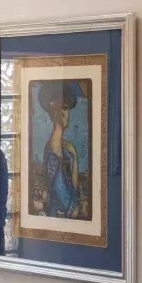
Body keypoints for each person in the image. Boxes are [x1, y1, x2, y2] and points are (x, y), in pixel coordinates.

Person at [32, 80, 86, 220]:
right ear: (52, 113)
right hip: (57, 214)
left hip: (71, 213)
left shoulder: (70, 148)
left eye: (66, 107)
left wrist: (75, 206)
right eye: (57, 108)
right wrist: (72, 207)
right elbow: (57, 188)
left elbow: (74, 186)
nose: (63, 113)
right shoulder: (52, 145)